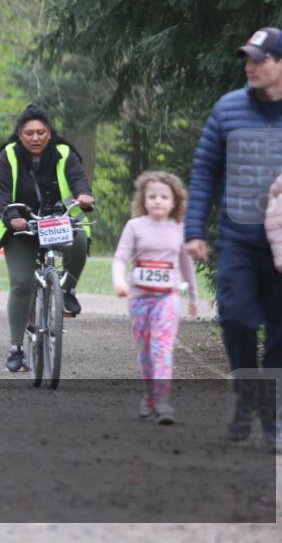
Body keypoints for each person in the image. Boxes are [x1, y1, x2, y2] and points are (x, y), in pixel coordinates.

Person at [185, 26, 282, 452]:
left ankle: (274, 420)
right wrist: (194, 230)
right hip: (239, 240)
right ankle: (247, 394)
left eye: (258, 60)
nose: (249, 66)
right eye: (247, 59)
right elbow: (204, 172)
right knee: (236, 320)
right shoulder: (227, 108)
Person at [0, 104, 94, 372]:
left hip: (56, 221)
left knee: (79, 240)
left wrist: (84, 196)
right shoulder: (8, 155)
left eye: (41, 132)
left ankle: (68, 290)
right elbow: (0, 193)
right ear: (20, 134)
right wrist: (11, 217)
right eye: (29, 133)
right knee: (21, 284)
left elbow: (79, 180)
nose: (35, 138)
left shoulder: (64, 152)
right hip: (21, 226)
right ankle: (16, 348)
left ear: (49, 133)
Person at [112, 171, 199, 425]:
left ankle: (162, 400)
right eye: (152, 196)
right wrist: (119, 281)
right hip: (139, 298)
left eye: (164, 197)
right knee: (146, 350)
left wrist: (193, 297)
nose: (158, 201)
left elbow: (187, 265)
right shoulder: (134, 226)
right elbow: (120, 258)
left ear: (174, 202)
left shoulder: (180, 229)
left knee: (162, 347)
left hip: (167, 298)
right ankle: (150, 393)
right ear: (143, 200)